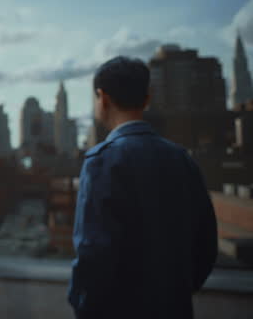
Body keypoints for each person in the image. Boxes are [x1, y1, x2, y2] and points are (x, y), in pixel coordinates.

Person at [69, 56, 218, 319]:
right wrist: (175, 291)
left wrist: (84, 308)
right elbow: (205, 244)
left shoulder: (101, 161)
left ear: (102, 98)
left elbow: (93, 254)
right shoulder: (182, 158)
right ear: (147, 99)